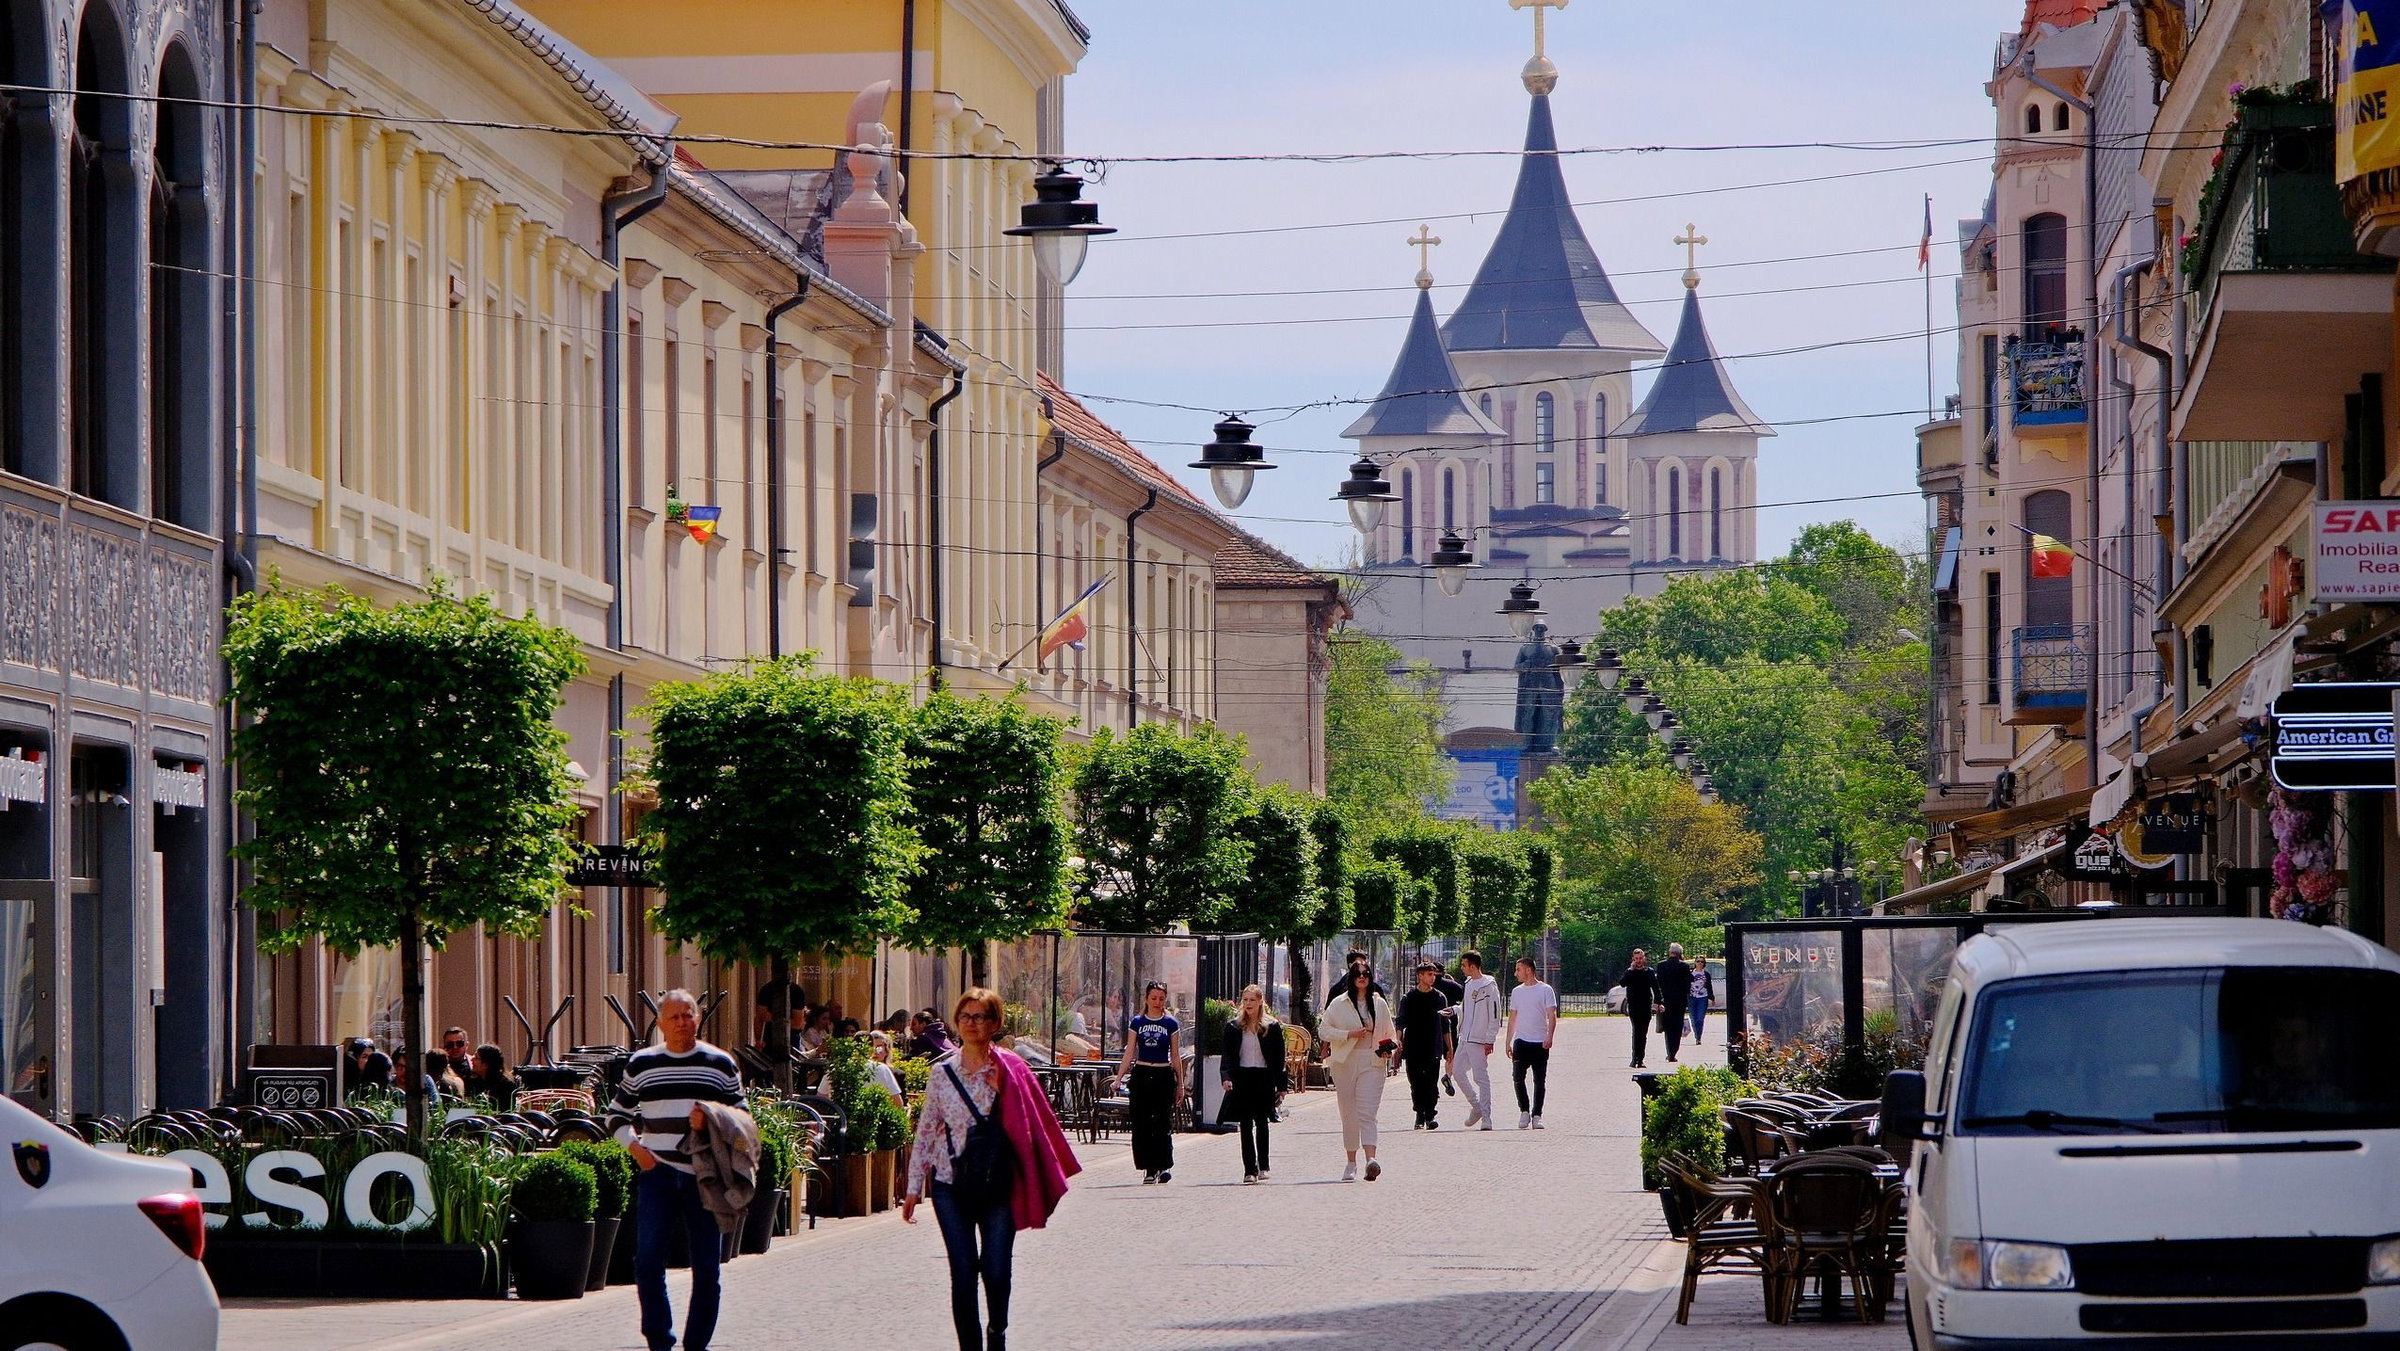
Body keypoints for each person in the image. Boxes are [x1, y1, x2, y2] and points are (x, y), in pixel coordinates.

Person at [904, 987, 1081, 1351]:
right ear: (956, 1022)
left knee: (997, 1269)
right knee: (964, 1270)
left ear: (994, 1023)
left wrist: (1004, 1090)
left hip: (998, 1181)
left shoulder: (1010, 1068)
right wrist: (912, 1186)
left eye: (979, 1016)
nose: (971, 1023)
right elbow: (925, 1130)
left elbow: (1032, 1123)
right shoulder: (941, 1073)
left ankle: (996, 1330)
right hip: (949, 1182)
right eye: (965, 1016)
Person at [608, 988, 745, 1351]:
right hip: (658, 1174)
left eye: (689, 1015)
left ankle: (696, 1344)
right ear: (660, 1023)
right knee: (649, 1261)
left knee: (707, 1267)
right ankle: (659, 1339)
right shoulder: (642, 1064)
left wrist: (715, 1118)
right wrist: (636, 1149)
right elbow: (616, 1115)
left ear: (698, 1019)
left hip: (706, 1177)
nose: (683, 1023)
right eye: (675, 1017)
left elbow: (744, 1118)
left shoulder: (720, 1063)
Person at [1320, 963, 1396, 1181]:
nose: (1362, 978)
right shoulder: (1339, 1003)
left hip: (1373, 1061)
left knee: (1367, 1113)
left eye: (1366, 974)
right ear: (1351, 978)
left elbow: (1391, 1034)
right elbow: (1324, 1030)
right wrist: (1349, 1034)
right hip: (1345, 1061)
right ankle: (1351, 1161)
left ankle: (1371, 1159)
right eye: (1357, 974)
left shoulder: (1378, 1003)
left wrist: (1388, 1049)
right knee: (1349, 1114)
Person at [1217, 984, 1288, 1183]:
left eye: (1252, 1000)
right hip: (1242, 1077)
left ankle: (1263, 1164)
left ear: (1260, 1002)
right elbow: (1228, 1056)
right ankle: (1250, 1169)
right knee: (1245, 1123)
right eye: (1245, 1000)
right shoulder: (1233, 1026)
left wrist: (1281, 1086)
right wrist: (1226, 1077)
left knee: (1262, 1121)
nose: (1248, 1004)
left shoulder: (1271, 1027)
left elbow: (1279, 1058)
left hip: (1263, 1077)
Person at [1111, 981, 1181, 1184]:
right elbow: (1130, 1052)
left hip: (1162, 1074)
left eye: (1161, 998)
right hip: (1142, 1073)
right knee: (1141, 1121)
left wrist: (1180, 1084)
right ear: (1146, 999)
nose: (1157, 1002)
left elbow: (1175, 1056)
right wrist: (1118, 1078)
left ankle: (1162, 1164)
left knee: (1161, 1121)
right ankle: (1148, 1167)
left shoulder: (1170, 1024)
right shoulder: (1137, 1022)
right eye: (1153, 998)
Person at [1395, 962, 1452, 1130]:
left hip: (1433, 1045)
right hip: (1413, 1046)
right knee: (1416, 1082)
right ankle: (1419, 1114)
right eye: (1429, 974)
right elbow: (1401, 1022)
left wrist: (1450, 1048)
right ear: (1420, 975)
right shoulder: (1409, 998)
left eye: (1434, 974)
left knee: (1431, 1082)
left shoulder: (1440, 998)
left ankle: (1430, 1115)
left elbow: (1445, 1025)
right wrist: (1398, 1040)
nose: (1432, 977)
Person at [1504, 956, 1559, 1129]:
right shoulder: (1517, 992)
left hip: (1539, 1041)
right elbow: (1513, 1018)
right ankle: (1524, 1111)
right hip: (1521, 1040)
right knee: (1518, 1077)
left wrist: (1549, 1037)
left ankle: (1537, 1115)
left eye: (1518, 969)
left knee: (1539, 1080)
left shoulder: (1545, 990)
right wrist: (1508, 1041)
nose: (1516, 973)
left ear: (1528, 970)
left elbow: (1551, 1015)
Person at [1451, 950, 1503, 1131]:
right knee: (1457, 1072)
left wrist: (1490, 1039)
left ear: (1473, 966)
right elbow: (1466, 1008)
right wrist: (1455, 1010)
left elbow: (1495, 1013)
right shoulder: (1468, 983)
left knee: (1481, 1077)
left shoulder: (1489, 985)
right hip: (1464, 1036)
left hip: (1479, 1039)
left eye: (1464, 965)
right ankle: (1477, 1106)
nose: (1462, 968)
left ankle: (1486, 1116)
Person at [1619, 948, 1661, 1069]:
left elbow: (1656, 988)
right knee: (1636, 1031)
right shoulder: (1630, 972)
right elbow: (1622, 983)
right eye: (1636, 959)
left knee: (1643, 1033)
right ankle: (1635, 1058)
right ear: (1633, 959)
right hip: (1633, 1006)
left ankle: (1640, 1059)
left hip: (1645, 1006)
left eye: (1640, 958)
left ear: (1644, 959)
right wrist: (1630, 970)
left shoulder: (1649, 972)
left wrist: (1658, 1002)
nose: (1638, 961)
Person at [1655, 943, 1693, 1064]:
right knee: (1677, 1028)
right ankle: (1673, 1053)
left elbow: (1658, 984)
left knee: (1668, 1027)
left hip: (1666, 1001)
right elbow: (1689, 983)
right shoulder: (1684, 966)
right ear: (1680, 953)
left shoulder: (1661, 965)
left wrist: (1659, 1000)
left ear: (1670, 952)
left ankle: (1669, 1051)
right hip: (1680, 1001)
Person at [467, 1043, 517, 1111]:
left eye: (476, 1057)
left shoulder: (505, 1086)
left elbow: (503, 1112)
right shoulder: (474, 1082)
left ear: (486, 1065)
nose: (471, 1059)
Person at [867, 1031, 906, 1107]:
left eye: (879, 1047)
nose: (875, 1051)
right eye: (872, 1047)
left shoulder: (897, 1075)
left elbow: (902, 1103)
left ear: (887, 1050)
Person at [1688, 955, 1717, 1045]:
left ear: (1704, 964)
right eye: (1698, 961)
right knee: (1693, 1018)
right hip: (1692, 998)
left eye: (1702, 962)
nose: (1700, 963)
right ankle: (1696, 1035)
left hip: (1703, 998)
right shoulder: (1690, 974)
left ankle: (1699, 1037)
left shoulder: (1706, 974)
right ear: (1695, 963)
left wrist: (1712, 998)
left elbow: (1709, 987)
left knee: (1700, 1018)